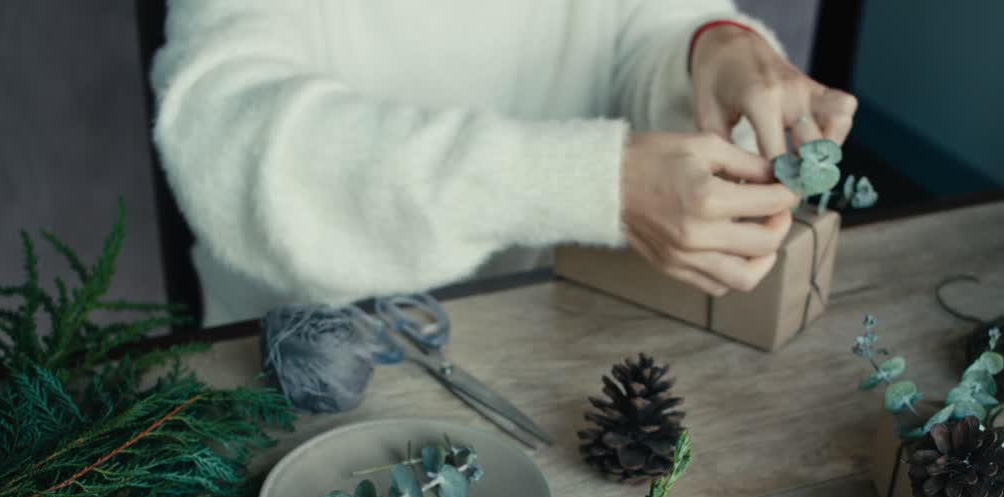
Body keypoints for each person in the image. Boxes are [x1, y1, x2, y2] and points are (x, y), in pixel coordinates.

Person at [151, 1, 857, 325]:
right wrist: (594, 182)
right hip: (300, 351)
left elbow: (641, 23)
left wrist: (710, 44)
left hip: (530, 321)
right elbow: (232, 131)